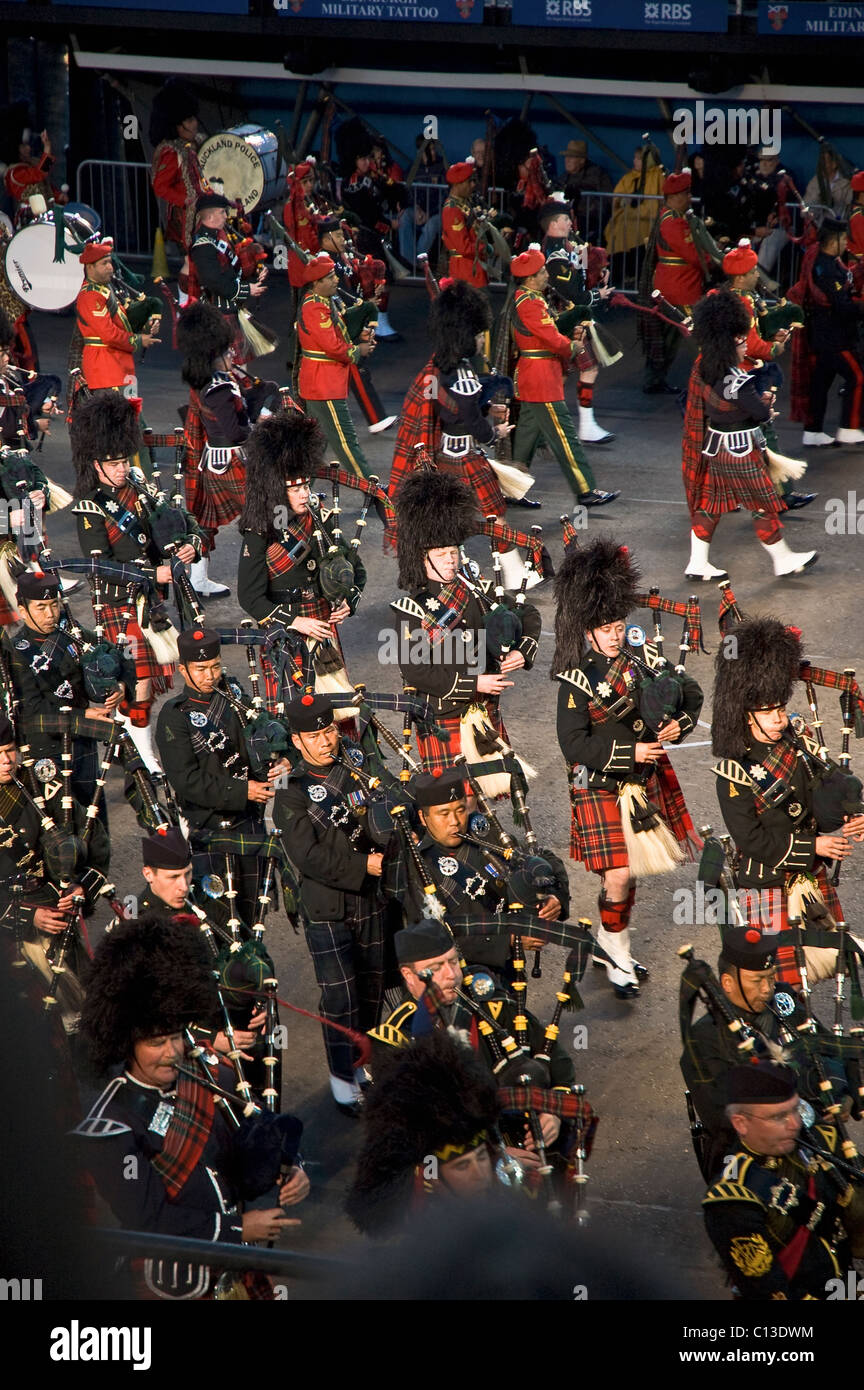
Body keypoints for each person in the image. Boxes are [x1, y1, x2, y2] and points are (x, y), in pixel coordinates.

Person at [75, 912, 309, 1300]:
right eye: (155, 1043)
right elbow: (147, 1221)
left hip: (236, 1271)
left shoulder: (207, 1075)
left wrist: (290, 1166)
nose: (171, 1053)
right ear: (125, 1044)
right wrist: (239, 1229)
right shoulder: (110, 1123)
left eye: (174, 1037)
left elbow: (252, 1138)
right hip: (172, 1285)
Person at [554, 537, 702, 999]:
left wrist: (679, 722)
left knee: (629, 872)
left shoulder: (645, 660)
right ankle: (618, 949)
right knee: (618, 872)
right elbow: (572, 743)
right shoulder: (576, 678)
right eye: (606, 628)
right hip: (600, 783)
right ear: (589, 632)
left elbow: (690, 692)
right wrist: (630, 754)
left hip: (642, 784)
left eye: (620, 625)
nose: (616, 634)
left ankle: (607, 943)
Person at [711, 616, 864, 988]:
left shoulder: (800, 746)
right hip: (764, 884)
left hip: (808, 875)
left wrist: (852, 813)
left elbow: (830, 789)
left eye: (781, 709)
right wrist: (818, 845)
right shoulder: (734, 773)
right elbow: (752, 840)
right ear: (746, 716)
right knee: (779, 983)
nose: (779, 720)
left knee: (812, 977)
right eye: (768, 712)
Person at [272, 691, 395, 1115]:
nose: (326, 741)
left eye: (329, 731)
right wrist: (367, 864)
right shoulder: (290, 787)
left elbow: (390, 802)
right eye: (315, 735)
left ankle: (364, 1064)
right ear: (297, 740)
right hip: (328, 907)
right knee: (341, 997)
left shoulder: (357, 763)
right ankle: (343, 1079)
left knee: (373, 988)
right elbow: (307, 856)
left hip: (372, 899)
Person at [71, 393, 203, 772]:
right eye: (113, 464)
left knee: (145, 683)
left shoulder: (141, 485)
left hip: (150, 600)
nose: (121, 468)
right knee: (137, 680)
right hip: (118, 602)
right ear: (96, 464)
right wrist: (152, 574)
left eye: (124, 460)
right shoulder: (89, 506)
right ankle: (142, 756)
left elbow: (178, 519)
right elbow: (99, 567)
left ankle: (129, 743)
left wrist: (190, 543)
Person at [371, 919, 576, 1164]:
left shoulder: (489, 1003)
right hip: (455, 1172)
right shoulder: (396, 1039)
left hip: (526, 1141)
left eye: (453, 961)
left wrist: (553, 1111)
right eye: (435, 968)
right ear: (408, 975)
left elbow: (555, 1057)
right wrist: (493, 1156)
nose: (451, 975)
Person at [392, 469, 540, 777]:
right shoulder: (410, 609)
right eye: (441, 554)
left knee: (486, 793)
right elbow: (415, 671)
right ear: (423, 557)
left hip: (484, 707)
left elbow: (528, 613)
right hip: (442, 712)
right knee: (452, 797)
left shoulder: (478, 590)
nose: (450, 559)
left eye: (453, 552)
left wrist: (522, 651)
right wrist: (475, 682)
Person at [680, 927, 855, 1180]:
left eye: (771, 978)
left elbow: (824, 1045)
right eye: (757, 980)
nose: (767, 989)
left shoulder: (783, 1000)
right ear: (728, 983)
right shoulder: (705, 1038)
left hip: (817, 1137)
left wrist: (840, 1091)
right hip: (749, 1159)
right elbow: (723, 1119)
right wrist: (798, 1112)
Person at [155, 626, 288, 929]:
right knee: (220, 922)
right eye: (200, 669)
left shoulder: (235, 694)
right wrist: (243, 791)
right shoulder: (175, 715)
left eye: (215, 666)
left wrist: (283, 757)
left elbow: (263, 736)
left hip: (250, 823)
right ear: (183, 670)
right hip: (210, 831)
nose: (209, 675)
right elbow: (186, 780)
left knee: (255, 920)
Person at [382, 766, 568, 977]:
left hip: (508, 971)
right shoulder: (417, 864)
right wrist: (507, 940)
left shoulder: (487, 837)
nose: (455, 821)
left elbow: (540, 861)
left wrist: (555, 897)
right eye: (443, 814)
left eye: (460, 810)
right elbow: (432, 932)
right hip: (453, 978)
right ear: (423, 818)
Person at [682, 290, 817, 581]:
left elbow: (714, 407)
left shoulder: (703, 366)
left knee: (709, 504)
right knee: (762, 503)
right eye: (742, 339)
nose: (746, 344)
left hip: (715, 448)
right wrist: (764, 407)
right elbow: (755, 413)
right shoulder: (735, 377)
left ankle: (697, 561)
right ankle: (782, 559)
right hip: (740, 449)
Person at [133, 825, 276, 1097]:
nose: (183, 886)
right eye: (173, 877)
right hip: (190, 1055)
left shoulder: (205, 900)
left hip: (244, 1032)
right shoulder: (139, 926)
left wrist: (262, 1000)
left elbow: (251, 949)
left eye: (187, 874)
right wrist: (209, 1039)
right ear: (148, 874)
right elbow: (147, 1013)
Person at [702, 1062, 864, 1299]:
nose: (795, 1124)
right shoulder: (732, 1200)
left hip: (844, 1282)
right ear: (741, 1123)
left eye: (795, 1110)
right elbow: (771, 1292)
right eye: (779, 1117)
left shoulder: (819, 1141)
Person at [237, 412, 364, 708]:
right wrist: (296, 622)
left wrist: (348, 601)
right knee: (294, 714)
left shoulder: (319, 518)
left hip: (322, 625)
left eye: (306, 486)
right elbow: (250, 597)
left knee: (338, 715)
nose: (305, 494)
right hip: (287, 634)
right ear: (277, 491)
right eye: (295, 489)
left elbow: (355, 567)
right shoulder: (259, 530)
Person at [0, 712, 110, 1038]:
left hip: (61, 920)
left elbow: (95, 844)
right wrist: (27, 916)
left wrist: (80, 888)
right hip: (9, 935)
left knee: (80, 1025)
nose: (7, 761)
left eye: (10, 750)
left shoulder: (41, 789)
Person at [386, 280, 513, 559]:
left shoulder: (440, 365)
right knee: (495, 514)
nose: (482, 340)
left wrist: (486, 407)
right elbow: (470, 421)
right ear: (465, 335)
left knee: (447, 519)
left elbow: (453, 408)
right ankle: (514, 575)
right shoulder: (464, 375)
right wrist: (496, 434)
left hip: (443, 455)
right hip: (465, 456)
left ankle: (437, 568)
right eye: (478, 335)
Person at [345, 1027, 501, 1238]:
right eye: (462, 1165)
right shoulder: (423, 1238)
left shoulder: (516, 1190)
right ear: (432, 1174)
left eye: (481, 1156)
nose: (481, 1175)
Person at [176, 300, 282, 599]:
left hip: (212, 463)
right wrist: (262, 418)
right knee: (266, 515)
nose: (232, 354)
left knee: (206, 520)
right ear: (213, 352)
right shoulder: (219, 388)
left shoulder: (207, 380)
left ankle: (197, 578)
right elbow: (236, 432)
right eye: (226, 351)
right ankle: (267, 578)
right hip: (233, 463)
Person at [2, 569, 126, 811]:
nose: (50, 614)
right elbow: (29, 713)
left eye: (54, 605)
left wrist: (120, 686)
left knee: (93, 820)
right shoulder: (15, 652)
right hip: (45, 751)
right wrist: (83, 716)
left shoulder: (73, 634)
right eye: (41, 607)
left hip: (83, 745)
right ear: (23, 610)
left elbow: (116, 657)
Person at [509, 245, 618, 507]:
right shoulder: (530, 303)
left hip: (535, 376)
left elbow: (552, 325)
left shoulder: (530, 297)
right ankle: (585, 490)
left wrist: (574, 316)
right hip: (542, 378)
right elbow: (549, 335)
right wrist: (572, 347)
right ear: (530, 277)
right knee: (566, 437)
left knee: (526, 434)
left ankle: (510, 489)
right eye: (543, 271)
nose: (547, 274)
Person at [539, 195, 617, 444]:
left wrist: (598, 272)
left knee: (578, 370)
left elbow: (582, 271)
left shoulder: (568, 245)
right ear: (552, 224)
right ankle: (562, 425)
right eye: (564, 219)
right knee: (568, 372)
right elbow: (574, 294)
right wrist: (598, 294)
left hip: (575, 318)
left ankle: (579, 426)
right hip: (564, 319)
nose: (570, 222)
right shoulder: (554, 255)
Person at [295, 251, 375, 480]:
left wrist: (359, 339)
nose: (336, 280)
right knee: (345, 441)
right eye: (329, 277)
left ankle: (295, 490)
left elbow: (339, 335)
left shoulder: (323, 302)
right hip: (323, 384)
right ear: (316, 283)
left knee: (315, 444)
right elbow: (333, 346)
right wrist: (357, 351)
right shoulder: (314, 308)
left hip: (322, 382)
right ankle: (371, 488)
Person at [640, 168, 719, 395]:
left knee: (667, 338)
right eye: (685, 194)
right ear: (674, 197)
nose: (688, 198)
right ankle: (711, 380)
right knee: (698, 335)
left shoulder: (672, 218)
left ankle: (654, 379)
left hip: (672, 286)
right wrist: (715, 258)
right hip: (681, 289)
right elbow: (694, 254)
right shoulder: (673, 223)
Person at [318, 216, 396, 434]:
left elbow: (351, 287)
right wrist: (363, 304)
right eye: (340, 235)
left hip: (343, 319)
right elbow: (337, 294)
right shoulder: (323, 262)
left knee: (349, 371)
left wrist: (369, 292)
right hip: (332, 323)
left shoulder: (339, 258)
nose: (344, 239)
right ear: (327, 238)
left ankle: (374, 418)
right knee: (354, 368)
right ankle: (375, 418)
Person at [801, 217, 864, 447]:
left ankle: (813, 430)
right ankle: (848, 427)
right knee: (857, 376)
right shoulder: (825, 268)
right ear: (833, 240)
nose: (846, 242)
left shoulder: (831, 262)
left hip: (825, 335)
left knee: (820, 383)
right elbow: (841, 304)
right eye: (843, 238)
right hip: (833, 336)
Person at [189, 192, 268, 365]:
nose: (226, 216)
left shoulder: (219, 236)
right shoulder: (203, 246)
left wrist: (254, 269)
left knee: (238, 368)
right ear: (209, 216)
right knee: (226, 368)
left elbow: (232, 269)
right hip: (217, 314)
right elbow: (215, 281)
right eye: (222, 212)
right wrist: (247, 289)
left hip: (230, 310)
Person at [74, 239, 160, 395]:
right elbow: (109, 334)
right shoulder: (90, 296)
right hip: (105, 367)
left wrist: (146, 325)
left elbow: (123, 322)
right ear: (90, 267)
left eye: (110, 263)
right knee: (117, 416)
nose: (110, 268)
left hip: (120, 364)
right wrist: (139, 340)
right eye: (104, 263)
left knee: (132, 413)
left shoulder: (105, 289)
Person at [149, 79, 207, 295]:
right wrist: (185, 200)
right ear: (176, 124)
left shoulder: (192, 144)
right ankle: (187, 301)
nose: (194, 124)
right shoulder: (171, 152)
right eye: (189, 120)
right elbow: (160, 186)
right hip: (186, 219)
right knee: (192, 264)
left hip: (201, 213)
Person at [604, 142, 665, 286]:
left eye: (638, 159)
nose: (634, 161)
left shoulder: (657, 175)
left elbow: (655, 203)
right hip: (627, 218)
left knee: (633, 232)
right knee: (617, 230)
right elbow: (617, 198)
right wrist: (624, 201)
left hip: (647, 220)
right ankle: (616, 278)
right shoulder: (630, 176)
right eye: (634, 158)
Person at [442, 160, 488, 289]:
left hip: (474, 268)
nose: (473, 185)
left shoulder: (464, 203)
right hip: (465, 272)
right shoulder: (452, 210)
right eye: (469, 181)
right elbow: (464, 247)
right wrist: (485, 248)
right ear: (458, 184)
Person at [559, 139, 613, 222]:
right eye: (566, 156)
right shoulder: (563, 177)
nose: (567, 160)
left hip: (589, 222)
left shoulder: (597, 175)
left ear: (582, 160)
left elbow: (606, 200)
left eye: (572, 156)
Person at [804, 146, 851, 219]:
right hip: (819, 226)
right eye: (820, 163)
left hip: (840, 226)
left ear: (834, 164)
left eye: (824, 163)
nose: (821, 166)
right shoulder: (815, 182)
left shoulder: (846, 183)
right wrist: (818, 197)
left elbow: (851, 208)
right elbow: (805, 211)